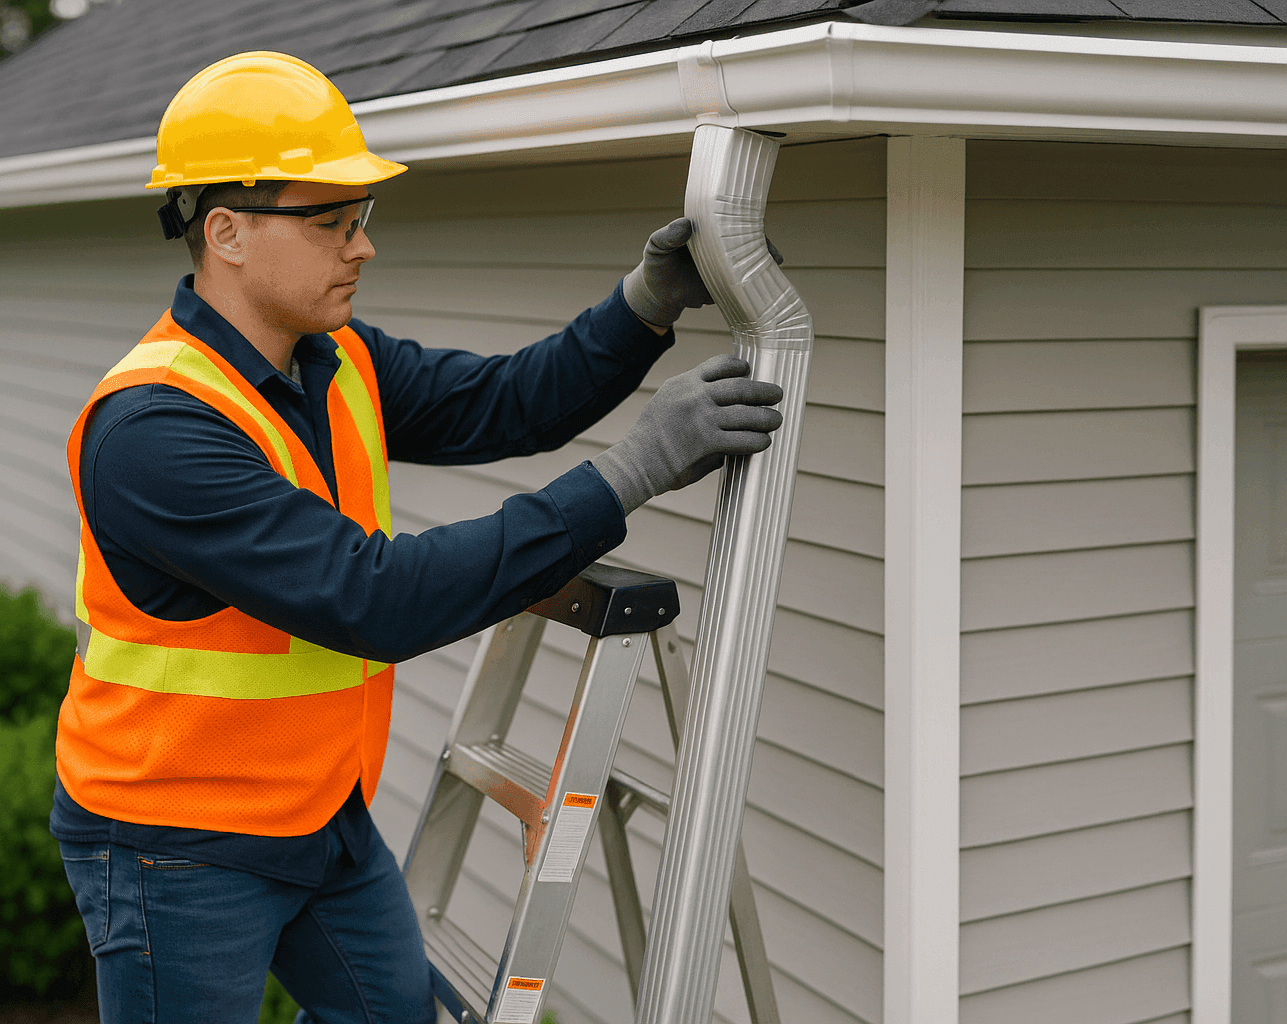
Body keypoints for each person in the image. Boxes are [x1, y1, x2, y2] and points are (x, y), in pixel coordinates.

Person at [51, 51, 784, 1024]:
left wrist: (643, 306)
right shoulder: (155, 430)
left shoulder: (336, 358)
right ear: (224, 230)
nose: (360, 247)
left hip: (317, 815)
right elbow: (375, 598)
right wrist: (636, 469)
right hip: (175, 844)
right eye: (329, 221)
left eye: (362, 218)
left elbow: (507, 402)